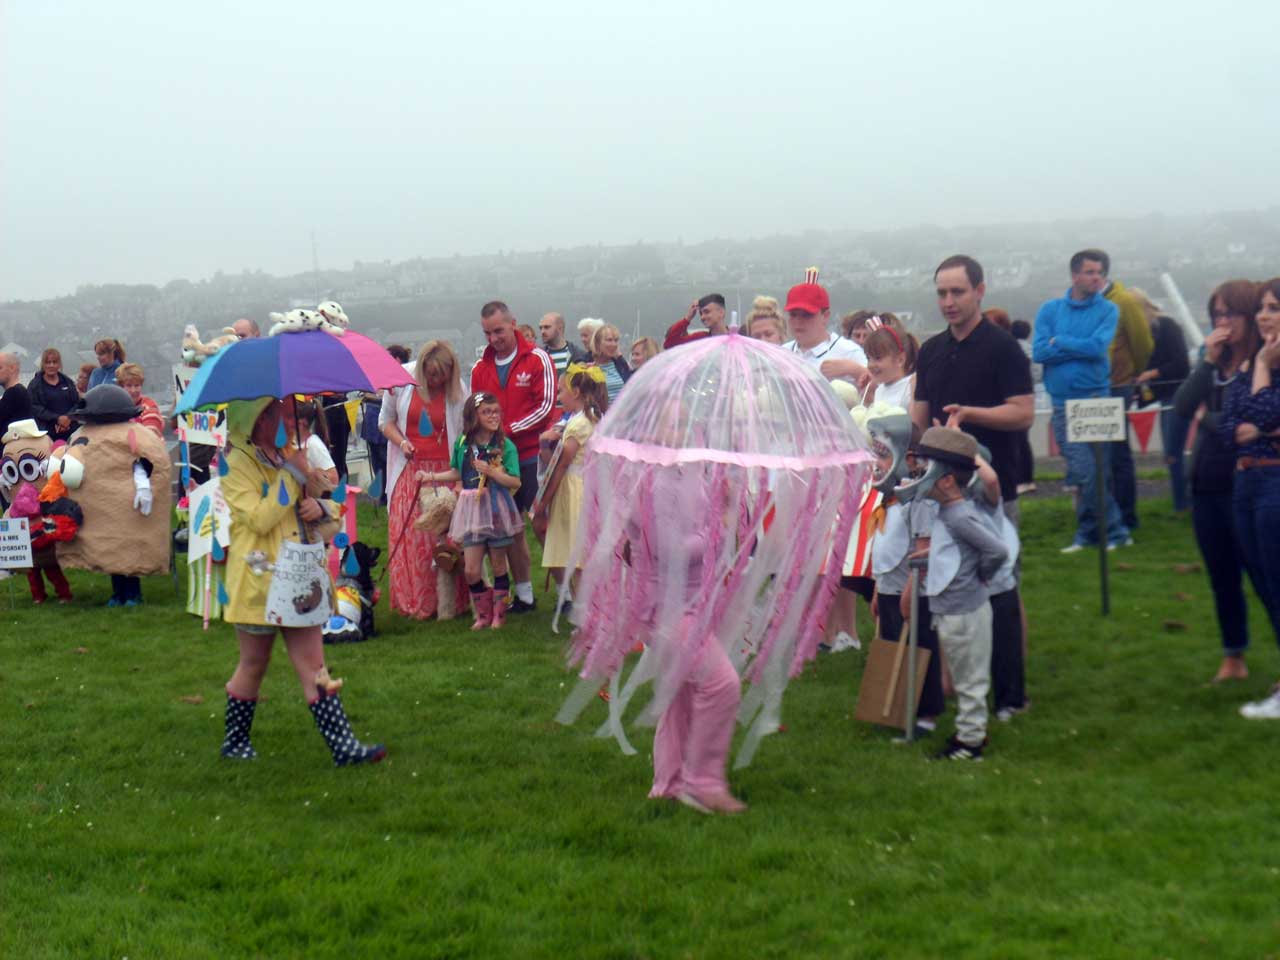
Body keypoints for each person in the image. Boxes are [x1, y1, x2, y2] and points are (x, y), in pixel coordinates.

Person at [218, 397, 385, 766]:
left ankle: (344, 747)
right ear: (254, 418)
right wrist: (292, 476)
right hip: (258, 581)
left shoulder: (289, 453)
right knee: (254, 664)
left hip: (301, 578)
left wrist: (320, 507)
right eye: (273, 414)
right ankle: (235, 741)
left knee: (315, 666)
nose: (284, 421)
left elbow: (333, 512)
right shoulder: (234, 463)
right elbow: (260, 519)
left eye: (282, 413)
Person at [1175, 280, 1265, 684]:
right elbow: (1182, 405)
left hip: (1250, 481)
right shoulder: (1215, 364)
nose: (1223, 323)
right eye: (1217, 315)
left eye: (1230, 314)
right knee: (1222, 576)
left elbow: (1242, 424)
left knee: (1265, 576)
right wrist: (1207, 362)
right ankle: (1234, 656)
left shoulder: (1265, 362)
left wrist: (1207, 419)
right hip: (1207, 484)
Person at [907, 427, 1009, 761]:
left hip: (964, 611)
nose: (919, 474)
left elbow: (996, 550)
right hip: (952, 609)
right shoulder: (950, 513)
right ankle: (969, 733)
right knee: (965, 672)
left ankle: (971, 743)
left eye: (927, 469)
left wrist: (980, 577)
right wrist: (931, 556)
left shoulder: (960, 516)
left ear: (947, 480)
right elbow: (959, 551)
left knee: (969, 678)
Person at [913, 255, 1035, 521]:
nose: (948, 302)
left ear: (979, 291)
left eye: (957, 292)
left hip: (993, 488)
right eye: (942, 293)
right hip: (941, 492)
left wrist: (969, 414)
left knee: (997, 562)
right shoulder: (930, 351)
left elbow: (1024, 413)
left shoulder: (1004, 347)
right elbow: (919, 421)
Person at [1032, 250, 1130, 552]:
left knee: (1099, 471)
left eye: (1100, 272)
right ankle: (1114, 530)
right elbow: (1038, 352)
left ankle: (1091, 534)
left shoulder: (1109, 310)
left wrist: (1060, 342)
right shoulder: (1050, 310)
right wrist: (1078, 348)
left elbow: (1098, 347)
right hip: (1062, 403)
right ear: (1075, 275)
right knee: (1085, 471)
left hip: (1098, 399)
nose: (1096, 277)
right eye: (1090, 272)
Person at [469, 301, 557, 612]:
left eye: (499, 331)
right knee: (509, 529)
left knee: (544, 525)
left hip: (532, 455)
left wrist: (506, 430)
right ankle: (524, 595)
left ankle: (569, 593)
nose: (494, 338)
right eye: (488, 333)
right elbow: (475, 410)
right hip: (497, 460)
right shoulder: (480, 368)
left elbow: (545, 407)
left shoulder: (537, 359)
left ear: (513, 324)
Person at [1222, 277, 1280, 718]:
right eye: (1262, 307)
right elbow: (1228, 427)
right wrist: (1261, 425)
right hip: (1245, 484)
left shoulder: (1260, 364)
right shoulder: (1246, 369)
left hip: (1274, 484)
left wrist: (1261, 364)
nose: (1264, 315)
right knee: (1264, 584)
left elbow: (1259, 412)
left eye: (1274, 308)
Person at [379, 340, 469, 620]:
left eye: (440, 376)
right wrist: (402, 442)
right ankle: (415, 602)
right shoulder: (400, 382)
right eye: (430, 375)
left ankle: (451, 602)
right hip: (411, 471)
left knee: (444, 537)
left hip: (445, 470)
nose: (434, 381)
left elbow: (467, 434)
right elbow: (385, 422)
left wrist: (460, 480)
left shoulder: (460, 391)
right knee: (413, 537)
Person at [421, 392, 524, 630]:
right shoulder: (462, 444)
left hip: (496, 507)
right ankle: (483, 613)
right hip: (472, 509)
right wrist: (431, 477)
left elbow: (515, 482)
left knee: (499, 564)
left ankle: (498, 615)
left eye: (496, 411)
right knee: (470, 570)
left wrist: (493, 472)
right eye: (486, 412)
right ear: (473, 416)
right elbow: (458, 472)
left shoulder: (504, 446)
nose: (493, 416)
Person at [535, 364, 608, 607]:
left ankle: (587, 613)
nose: (559, 397)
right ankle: (588, 611)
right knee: (578, 556)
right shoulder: (591, 419)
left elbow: (560, 466)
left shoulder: (577, 426)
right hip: (586, 483)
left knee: (577, 558)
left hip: (575, 490)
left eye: (561, 391)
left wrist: (543, 502)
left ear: (576, 392)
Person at [1095, 251, 1154, 532]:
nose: (1090, 278)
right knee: (1097, 456)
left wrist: (1130, 376)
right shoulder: (1085, 303)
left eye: (1095, 272)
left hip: (1118, 386)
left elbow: (1143, 343)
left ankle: (1127, 517)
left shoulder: (1125, 301)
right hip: (1092, 387)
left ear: (1105, 273)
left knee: (1118, 455)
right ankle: (1106, 516)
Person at [1133, 288, 1192, 512]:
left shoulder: (1167, 326)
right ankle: (1181, 501)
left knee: (1172, 451)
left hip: (1177, 393)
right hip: (1162, 394)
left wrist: (1151, 374)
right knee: (1171, 452)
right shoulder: (1146, 332)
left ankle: (1183, 503)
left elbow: (1181, 364)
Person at [779, 270, 868, 384]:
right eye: (793, 315)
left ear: (825, 316)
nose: (798, 321)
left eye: (807, 315)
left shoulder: (849, 352)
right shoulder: (782, 353)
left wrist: (855, 370)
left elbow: (878, 391)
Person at [861, 316, 917, 408]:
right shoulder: (878, 390)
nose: (870, 365)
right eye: (868, 358)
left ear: (900, 360)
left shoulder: (910, 388)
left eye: (878, 358)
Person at [27, 348, 78, 442]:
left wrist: (68, 418)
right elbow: (34, 407)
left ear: (59, 364)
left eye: (54, 362)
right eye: (48, 362)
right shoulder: (35, 385)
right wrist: (57, 419)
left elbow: (77, 403)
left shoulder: (68, 382)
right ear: (43, 364)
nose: (51, 365)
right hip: (47, 434)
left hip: (71, 432)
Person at [0, 352, 33, 467]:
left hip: (11, 458)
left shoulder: (14, 393)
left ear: (12, 368)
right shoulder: (19, 392)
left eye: (0, 367)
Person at [114, 363, 164, 438]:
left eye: (137, 385)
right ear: (121, 387)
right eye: (129, 385)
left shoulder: (149, 406)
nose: (133, 390)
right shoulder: (115, 407)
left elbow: (150, 437)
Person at [663, 294, 729, 350]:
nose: (702, 317)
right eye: (701, 313)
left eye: (707, 312)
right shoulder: (700, 338)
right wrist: (687, 318)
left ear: (721, 312)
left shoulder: (737, 337)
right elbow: (669, 344)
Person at [590, 323, 631, 404]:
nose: (614, 344)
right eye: (609, 340)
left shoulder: (620, 365)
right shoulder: (588, 366)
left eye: (616, 340)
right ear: (597, 343)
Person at [539, 312, 587, 381]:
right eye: (541, 328)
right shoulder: (539, 357)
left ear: (560, 328)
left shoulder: (579, 355)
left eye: (547, 327)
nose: (542, 331)